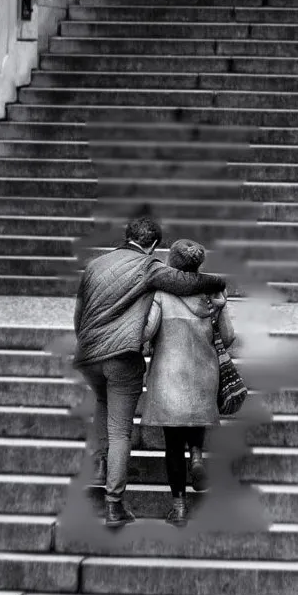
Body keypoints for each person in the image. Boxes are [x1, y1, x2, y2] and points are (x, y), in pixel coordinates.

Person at [73, 217, 226, 528]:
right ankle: (114, 505)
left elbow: (79, 313)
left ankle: (101, 463)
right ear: (154, 245)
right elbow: (185, 282)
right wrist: (217, 282)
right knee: (120, 431)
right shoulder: (150, 266)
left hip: (88, 355)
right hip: (121, 357)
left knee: (102, 405)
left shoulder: (94, 265)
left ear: (127, 235)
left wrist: (87, 344)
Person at [142, 238, 235, 527]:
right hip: (203, 370)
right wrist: (220, 309)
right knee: (195, 419)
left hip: (169, 373)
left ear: (172, 263)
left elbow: (147, 331)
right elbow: (229, 337)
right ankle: (196, 455)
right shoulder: (212, 292)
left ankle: (179, 508)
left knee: (172, 444)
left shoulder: (161, 293)